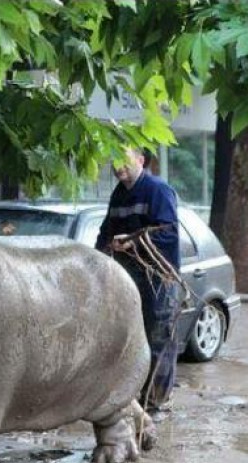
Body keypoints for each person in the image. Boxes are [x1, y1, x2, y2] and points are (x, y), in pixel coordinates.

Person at [95, 147, 181, 412]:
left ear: (141, 160)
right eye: (114, 161)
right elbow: (105, 233)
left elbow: (168, 234)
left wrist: (131, 242)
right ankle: (135, 401)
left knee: (158, 340)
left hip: (159, 279)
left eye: (124, 160)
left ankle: (156, 404)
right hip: (128, 279)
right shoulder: (118, 195)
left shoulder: (158, 190)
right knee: (132, 341)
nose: (117, 166)